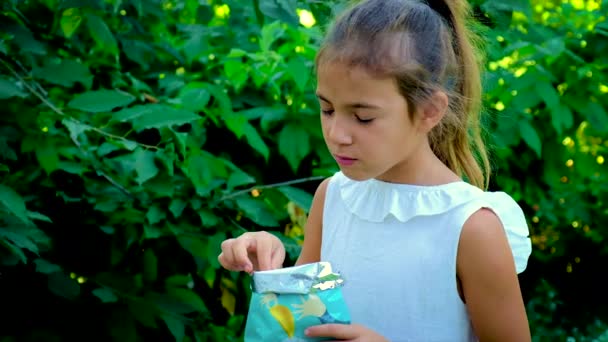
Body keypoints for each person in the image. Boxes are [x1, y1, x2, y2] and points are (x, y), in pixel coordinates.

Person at [219, 0, 533, 340]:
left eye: (363, 117)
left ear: (430, 110)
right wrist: (268, 264)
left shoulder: (472, 227)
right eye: (327, 109)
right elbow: (305, 322)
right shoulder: (334, 196)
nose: (337, 135)